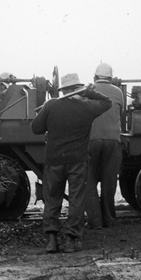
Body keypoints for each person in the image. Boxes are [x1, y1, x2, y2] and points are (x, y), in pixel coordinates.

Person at [32, 73, 112, 253]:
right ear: (78, 89)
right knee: (76, 200)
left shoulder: (51, 105)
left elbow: (36, 129)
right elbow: (107, 102)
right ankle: (70, 240)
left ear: (63, 90)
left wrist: (45, 110)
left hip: (54, 161)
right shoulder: (87, 107)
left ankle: (52, 240)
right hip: (78, 161)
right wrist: (91, 93)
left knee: (52, 199)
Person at [85, 63, 125, 228]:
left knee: (89, 181)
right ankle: (109, 219)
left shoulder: (87, 91)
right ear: (111, 78)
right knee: (109, 181)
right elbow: (120, 113)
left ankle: (95, 221)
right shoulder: (118, 92)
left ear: (95, 77)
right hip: (112, 140)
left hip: (91, 140)